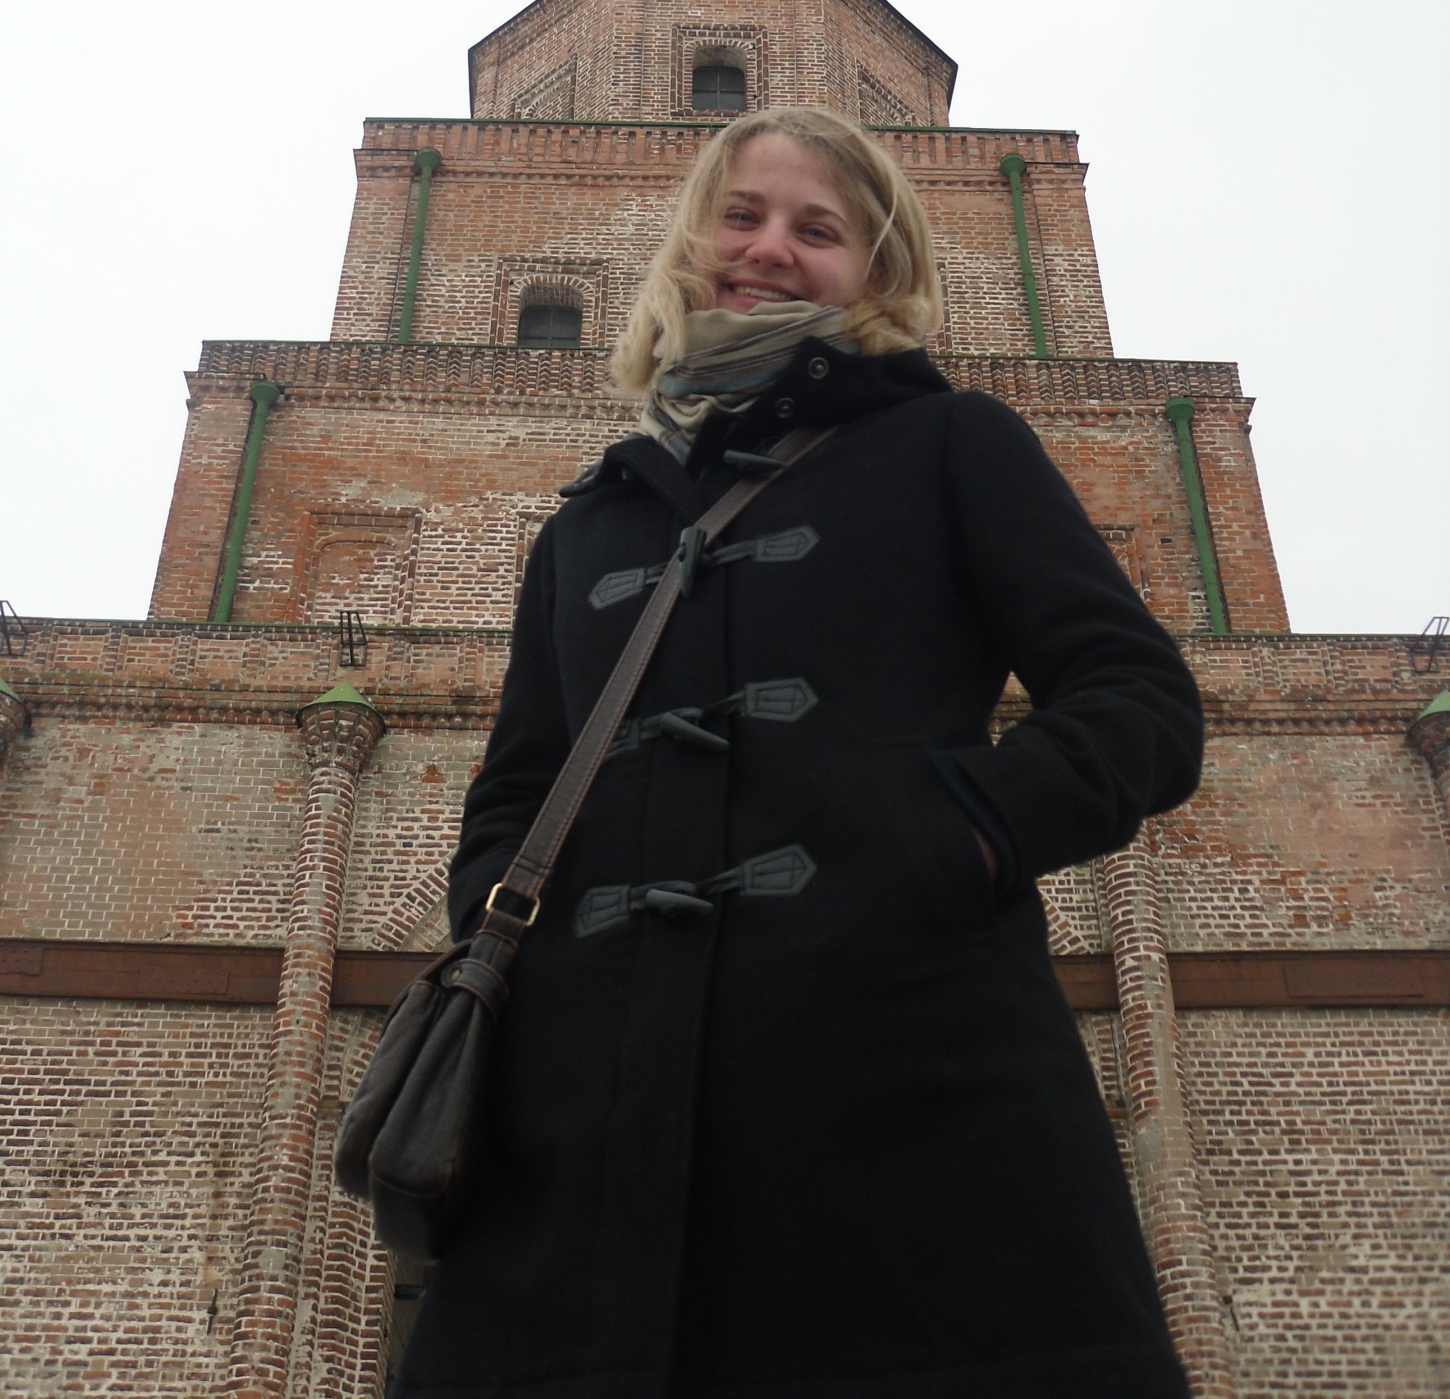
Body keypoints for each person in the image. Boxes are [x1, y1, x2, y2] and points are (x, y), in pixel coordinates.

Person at [393, 106, 1202, 1399]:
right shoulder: (590, 525)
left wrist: (951, 837)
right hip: (581, 1137)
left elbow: (1138, 702)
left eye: (817, 229)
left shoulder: (950, 442)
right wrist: (528, 955)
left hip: (913, 1099)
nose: (769, 249)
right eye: (742, 216)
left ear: (875, 275)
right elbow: (519, 784)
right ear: (690, 244)